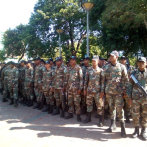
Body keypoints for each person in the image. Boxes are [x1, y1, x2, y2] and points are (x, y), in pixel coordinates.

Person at [100, 51, 129, 138]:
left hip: (118, 92)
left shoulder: (122, 67)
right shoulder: (106, 67)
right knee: (111, 108)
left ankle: (123, 128)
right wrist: (102, 90)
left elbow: (126, 79)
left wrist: (125, 90)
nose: (110, 57)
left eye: (112, 56)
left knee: (120, 110)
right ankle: (112, 125)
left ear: (116, 57)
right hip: (109, 92)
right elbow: (103, 80)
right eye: (110, 56)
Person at [127, 57, 147, 141]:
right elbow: (129, 85)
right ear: (137, 63)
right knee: (135, 115)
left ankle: (144, 130)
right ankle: (136, 130)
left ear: (146, 63)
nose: (141, 64)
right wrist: (129, 97)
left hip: (145, 98)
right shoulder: (133, 73)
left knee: (145, 115)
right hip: (135, 98)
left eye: (143, 62)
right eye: (139, 62)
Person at [83, 55, 104, 127]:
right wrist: (85, 89)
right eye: (92, 61)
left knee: (99, 106)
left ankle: (101, 121)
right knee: (89, 104)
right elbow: (86, 81)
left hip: (98, 92)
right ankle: (88, 118)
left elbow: (102, 82)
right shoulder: (88, 70)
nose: (93, 62)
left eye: (94, 61)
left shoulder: (101, 70)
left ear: (98, 61)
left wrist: (102, 91)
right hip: (89, 91)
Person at [64, 56, 83, 122]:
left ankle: (78, 116)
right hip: (69, 88)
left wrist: (80, 88)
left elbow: (81, 79)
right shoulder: (68, 68)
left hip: (76, 89)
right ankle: (70, 113)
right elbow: (67, 78)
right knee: (70, 102)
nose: (71, 61)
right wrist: (66, 87)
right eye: (70, 60)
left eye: (72, 60)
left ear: (75, 61)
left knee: (77, 102)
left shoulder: (78, 68)